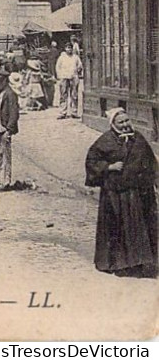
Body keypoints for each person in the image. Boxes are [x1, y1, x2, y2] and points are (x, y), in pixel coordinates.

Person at [85, 108, 158, 278]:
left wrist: (156, 181)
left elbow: (151, 161)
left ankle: (143, 262)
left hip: (140, 193)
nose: (125, 125)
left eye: (127, 121)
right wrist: (108, 167)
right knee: (119, 228)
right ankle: (119, 264)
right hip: (116, 194)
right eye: (121, 122)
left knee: (142, 227)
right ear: (113, 125)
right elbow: (92, 161)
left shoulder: (138, 138)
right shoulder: (105, 141)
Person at [56, 42, 83, 119]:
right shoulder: (62, 57)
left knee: (74, 95)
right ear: (65, 49)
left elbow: (80, 66)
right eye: (67, 48)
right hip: (64, 77)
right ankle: (63, 112)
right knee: (63, 95)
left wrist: (77, 71)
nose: (69, 49)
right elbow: (58, 67)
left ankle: (74, 112)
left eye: (70, 48)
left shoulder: (76, 57)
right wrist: (60, 76)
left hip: (73, 77)